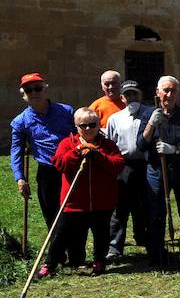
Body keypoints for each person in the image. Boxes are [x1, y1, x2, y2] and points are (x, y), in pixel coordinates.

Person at [38, 108, 124, 277]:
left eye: (92, 125)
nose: (87, 129)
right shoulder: (66, 144)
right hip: (73, 202)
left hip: (101, 202)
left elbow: (118, 165)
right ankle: (50, 264)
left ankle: (99, 262)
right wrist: (77, 151)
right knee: (61, 234)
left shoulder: (108, 145)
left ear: (98, 125)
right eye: (82, 125)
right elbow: (60, 164)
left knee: (101, 234)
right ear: (76, 127)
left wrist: (98, 155)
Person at [10, 73, 81, 264]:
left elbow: (81, 135)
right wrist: (20, 178)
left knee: (74, 212)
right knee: (52, 215)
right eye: (28, 90)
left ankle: (77, 255)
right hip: (47, 171)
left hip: (71, 169)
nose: (34, 93)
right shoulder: (20, 121)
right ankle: (59, 256)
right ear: (23, 95)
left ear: (46, 89)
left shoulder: (66, 111)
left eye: (38, 88)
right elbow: (16, 152)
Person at [137, 75, 180, 268]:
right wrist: (151, 124)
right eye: (165, 90)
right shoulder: (148, 114)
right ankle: (157, 254)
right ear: (157, 92)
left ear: (178, 94)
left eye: (173, 91)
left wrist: (175, 149)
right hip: (156, 169)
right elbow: (140, 145)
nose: (169, 94)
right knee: (156, 212)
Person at [105, 80, 152, 261]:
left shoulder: (149, 115)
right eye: (127, 95)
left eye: (135, 94)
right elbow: (109, 143)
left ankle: (148, 241)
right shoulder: (115, 119)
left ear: (140, 95)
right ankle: (115, 247)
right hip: (124, 166)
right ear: (122, 98)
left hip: (146, 164)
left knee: (146, 205)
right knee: (120, 207)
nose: (131, 97)